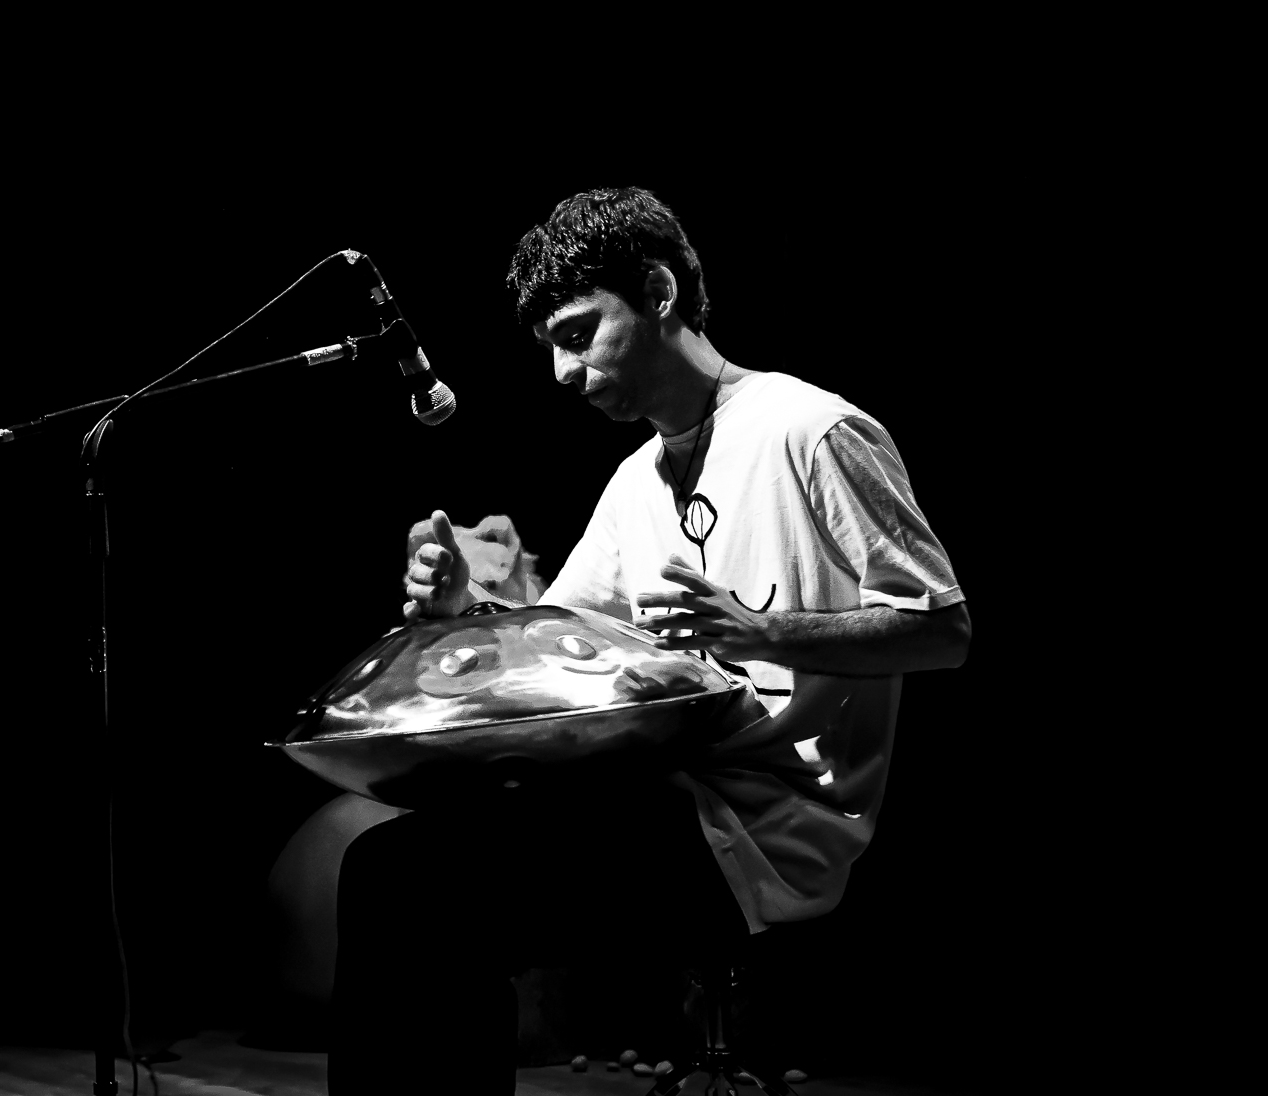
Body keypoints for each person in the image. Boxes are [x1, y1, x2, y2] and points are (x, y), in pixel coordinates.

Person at [328, 187, 970, 1095]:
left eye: (579, 333)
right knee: (392, 865)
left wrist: (764, 632)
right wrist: (468, 603)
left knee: (419, 889)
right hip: (665, 794)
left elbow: (942, 629)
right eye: (550, 347)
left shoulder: (811, 430)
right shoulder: (636, 480)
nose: (562, 371)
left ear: (660, 293)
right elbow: (562, 642)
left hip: (763, 826)